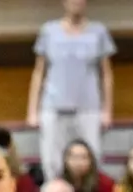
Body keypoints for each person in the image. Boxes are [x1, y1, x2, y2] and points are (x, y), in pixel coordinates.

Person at [26, 0, 115, 174]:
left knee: (92, 158)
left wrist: (107, 110)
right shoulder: (49, 31)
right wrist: (32, 110)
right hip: (53, 107)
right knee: (52, 161)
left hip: (89, 107)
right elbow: (39, 72)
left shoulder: (99, 31)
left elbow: (106, 74)